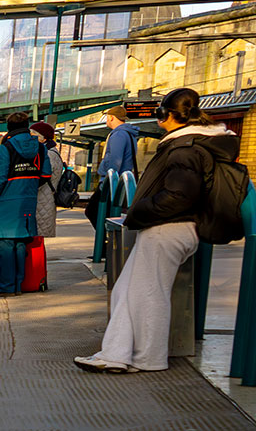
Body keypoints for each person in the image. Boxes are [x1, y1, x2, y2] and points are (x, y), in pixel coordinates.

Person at [75, 88, 236, 373]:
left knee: (148, 293)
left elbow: (179, 195)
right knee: (129, 290)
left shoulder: (185, 148)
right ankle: (117, 353)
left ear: (169, 115)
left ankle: (147, 358)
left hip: (168, 229)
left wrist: (141, 209)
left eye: (161, 110)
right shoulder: (189, 144)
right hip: (171, 228)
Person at [0, 112, 51, 297]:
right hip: (28, 199)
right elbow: (46, 174)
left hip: (7, 200)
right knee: (21, 243)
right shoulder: (40, 148)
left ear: (9, 127)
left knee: (6, 244)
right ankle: (18, 285)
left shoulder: (6, 147)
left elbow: (0, 178)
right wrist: (29, 185)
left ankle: (7, 286)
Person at [86, 106, 139, 228]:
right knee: (105, 214)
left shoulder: (118, 135)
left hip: (112, 183)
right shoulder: (129, 134)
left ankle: (105, 238)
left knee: (92, 211)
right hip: (119, 181)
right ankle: (106, 237)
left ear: (111, 117)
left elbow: (115, 160)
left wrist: (107, 178)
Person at [30, 121, 65, 241]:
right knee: (36, 238)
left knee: (36, 239)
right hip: (44, 200)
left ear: (43, 138)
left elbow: (42, 177)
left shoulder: (49, 155)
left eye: (33, 135)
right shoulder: (51, 152)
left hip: (42, 201)